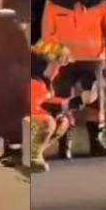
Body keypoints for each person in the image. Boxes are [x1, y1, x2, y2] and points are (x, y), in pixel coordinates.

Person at [42, 0, 106, 159]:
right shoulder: (54, 3)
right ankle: (64, 144)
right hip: (65, 62)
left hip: (93, 61)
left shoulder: (98, 2)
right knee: (63, 100)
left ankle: (96, 142)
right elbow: (48, 34)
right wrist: (55, 56)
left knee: (95, 100)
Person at [26, 40, 75, 172]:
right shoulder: (35, 81)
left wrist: (65, 104)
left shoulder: (43, 82)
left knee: (63, 121)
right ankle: (30, 157)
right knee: (48, 122)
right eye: (58, 66)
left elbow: (44, 100)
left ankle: (32, 153)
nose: (58, 71)